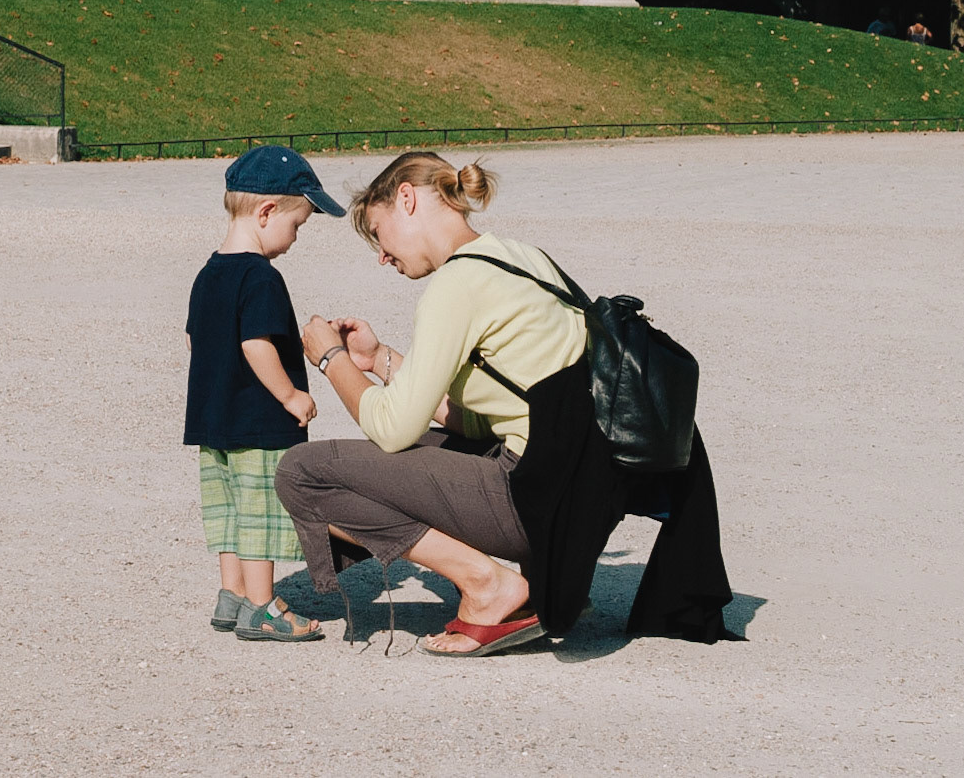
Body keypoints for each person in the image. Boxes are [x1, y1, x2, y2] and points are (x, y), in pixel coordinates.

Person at [277, 151, 731, 657]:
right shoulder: (521, 256)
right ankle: (541, 581)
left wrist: (331, 359)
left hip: (536, 498)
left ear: (405, 197)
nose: (381, 256)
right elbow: (486, 415)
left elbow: (390, 428)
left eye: (378, 234)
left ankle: (489, 586)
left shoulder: (456, 283)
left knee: (304, 471)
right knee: (429, 444)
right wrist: (380, 359)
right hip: (587, 492)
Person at [185, 145, 345, 642]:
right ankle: (262, 606)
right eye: (297, 225)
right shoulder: (261, 277)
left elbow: (195, 338)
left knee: (227, 509)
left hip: (214, 419)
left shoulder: (207, 273)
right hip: (258, 421)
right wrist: (290, 396)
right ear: (267, 212)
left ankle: (230, 594)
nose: (295, 238)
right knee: (259, 512)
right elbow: (256, 344)